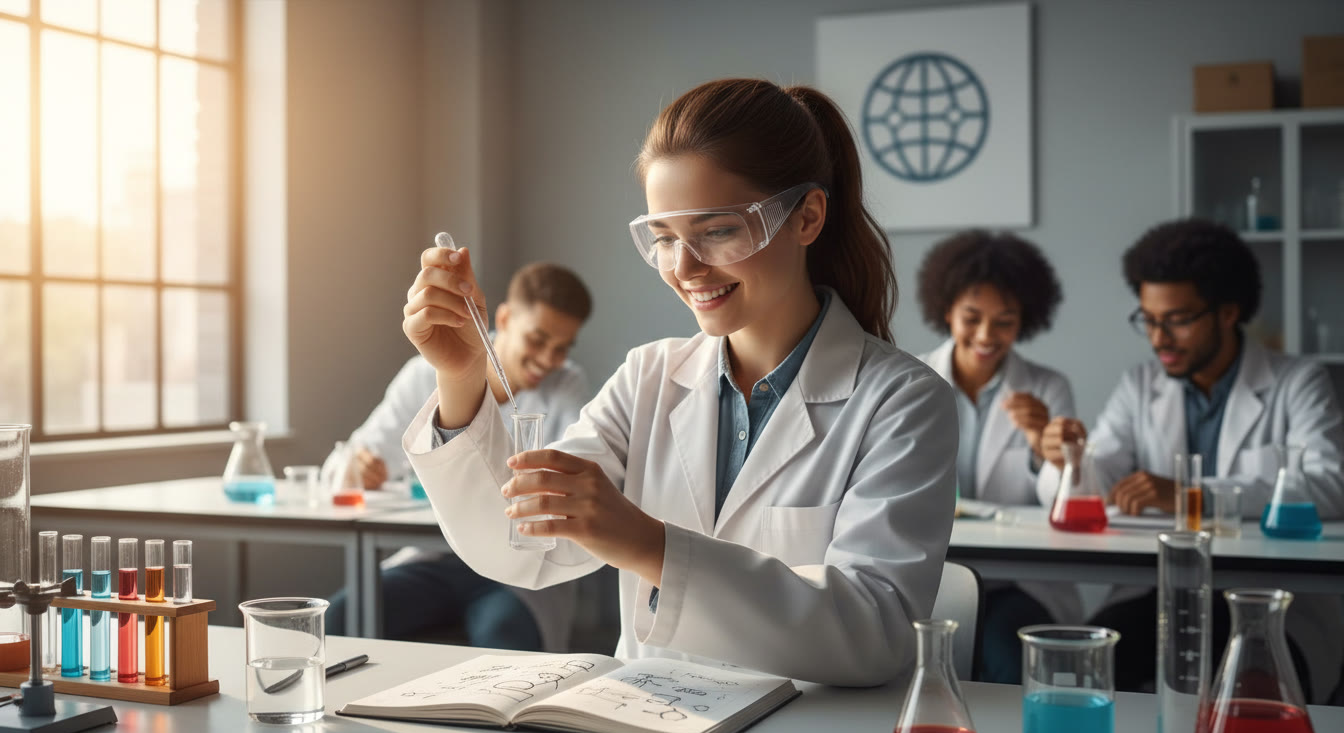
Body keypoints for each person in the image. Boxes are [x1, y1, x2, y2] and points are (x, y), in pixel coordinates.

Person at [400, 78, 958, 686]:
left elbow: (875, 632)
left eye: (717, 231)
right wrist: (460, 375)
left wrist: (648, 545)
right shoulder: (648, 378)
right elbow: (524, 549)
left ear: (807, 217)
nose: (684, 268)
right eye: (664, 238)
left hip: (807, 731)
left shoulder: (902, 401)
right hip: (650, 721)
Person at [1037, 218, 1344, 699]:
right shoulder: (1140, 385)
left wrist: (1189, 496)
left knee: (1255, 696)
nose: (1159, 338)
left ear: (1228, 312)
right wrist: (1067, 458)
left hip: (1269, 598)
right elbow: (1104, 475)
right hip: (1158, 592)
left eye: (1177, 320)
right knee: (1080, 671)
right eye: (1148, 319)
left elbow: (1328, 484)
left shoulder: (1297, 382)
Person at [327, 262, 594, 652]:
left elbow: (570, 481)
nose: (548, 359)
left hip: (512, 575)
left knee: (505, 639)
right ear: (504, 319)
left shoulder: (565, 386)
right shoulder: (427, 373)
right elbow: (346, 463)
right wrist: (359, 467)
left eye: (562, 348)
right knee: (341, 616)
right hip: (433, 559)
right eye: (537, 340)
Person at [915, 230, 1076, 684]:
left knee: (1007, 661)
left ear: (1024, 321)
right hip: (929, 576)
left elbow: (1063, 504)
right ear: (946, 311)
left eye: (1004, 321)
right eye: (972, 318)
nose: (986, 335)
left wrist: (1044, 448)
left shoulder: (1047, 388)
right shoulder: (911, 379)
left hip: (1016, 582)